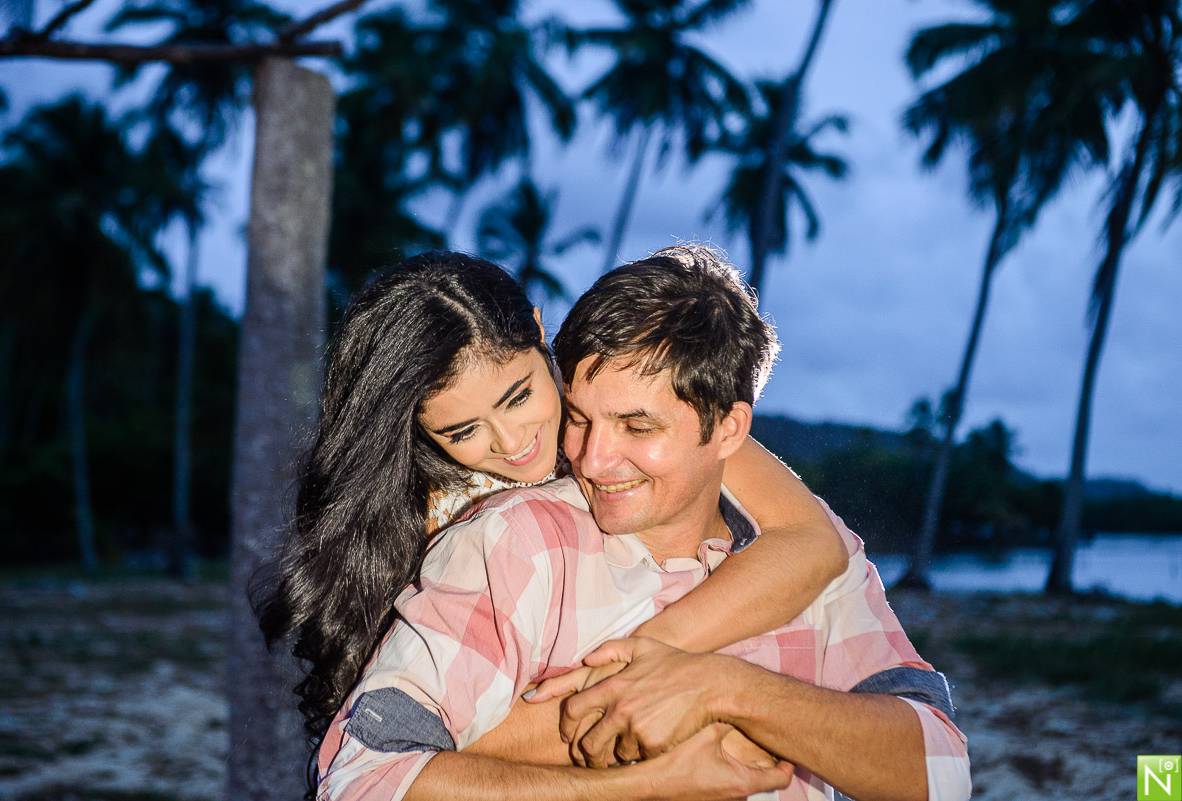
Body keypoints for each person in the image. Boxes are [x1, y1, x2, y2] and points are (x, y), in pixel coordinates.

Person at [315, 245, 970, 801]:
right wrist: (655, 763)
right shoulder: (506, 539)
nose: (580, 454)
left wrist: (718, 685)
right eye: (581, 416)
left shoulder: (806, 555)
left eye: (637, 425)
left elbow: (939, 768)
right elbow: (376, 766)